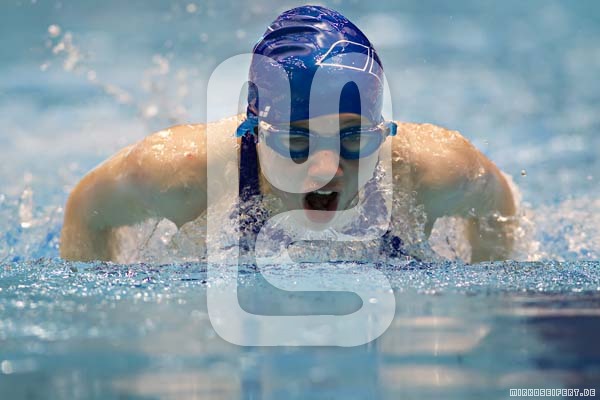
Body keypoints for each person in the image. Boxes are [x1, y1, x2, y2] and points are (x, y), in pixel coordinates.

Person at [60, 5, 516, 263]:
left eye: (354, 139)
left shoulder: (435, 170)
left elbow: (499, 207)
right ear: (255, 133)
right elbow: (86, 211)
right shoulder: (181, 174)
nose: (327, 169)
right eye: (298, 143)